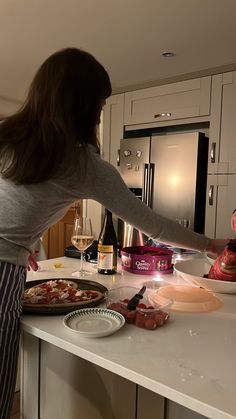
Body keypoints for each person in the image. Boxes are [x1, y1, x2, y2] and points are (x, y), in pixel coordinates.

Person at [0, 47, 227, 418]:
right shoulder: (85, 164)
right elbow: (153, 225)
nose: (101, 113)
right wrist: (210, 245)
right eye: (101, 105)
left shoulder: (7, 134)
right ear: (84, 106)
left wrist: (17, 238)